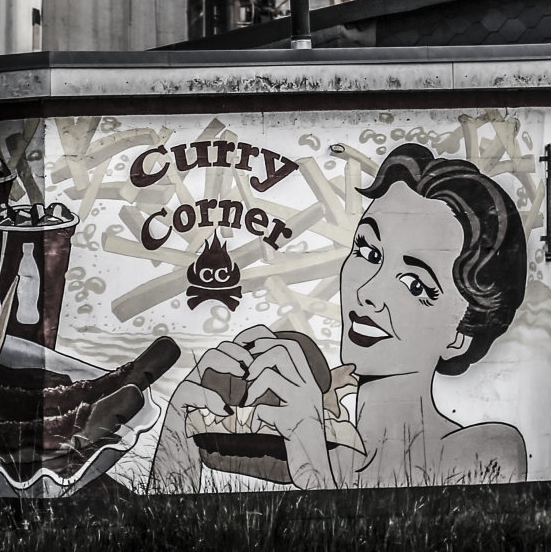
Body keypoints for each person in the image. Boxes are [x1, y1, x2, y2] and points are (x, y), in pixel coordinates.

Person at [151, 142, 529, 490]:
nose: (368, 292)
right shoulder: (315, 454)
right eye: (368, 252)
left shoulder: (485, 450)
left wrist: (311, 460)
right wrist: (177, 428)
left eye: (415, 283)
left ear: (459, 336)